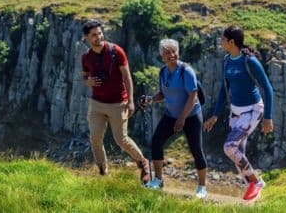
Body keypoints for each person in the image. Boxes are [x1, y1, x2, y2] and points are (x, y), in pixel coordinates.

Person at [203, 25, 274, 201]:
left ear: (232, 42)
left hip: (252, 110)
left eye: (223, 40)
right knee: (237, 153)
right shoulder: (227, 60)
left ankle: (256, 181)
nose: (221, 42)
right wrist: (215, 115)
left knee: (229, 147)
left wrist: (268, 118)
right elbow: (223, 89)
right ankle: (254, 191)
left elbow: (268, 88)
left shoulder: (250, 62)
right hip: (235, 112)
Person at [81, 20, 150, 184]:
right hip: (97, 104)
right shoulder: (86, 57)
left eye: (99, 33)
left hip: (118, 103)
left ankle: (143, 163)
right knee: (95, 137)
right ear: (87, 38)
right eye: (94, 35)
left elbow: (127, 77)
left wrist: (131, 101)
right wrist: (87, 81)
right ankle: (103, 171)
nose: (98, 37)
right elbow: (84, 76)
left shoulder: (116, 51)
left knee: (121, 139)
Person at [140, 39, 208, 198]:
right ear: (162, 56)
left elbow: (193, 96)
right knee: (156, 141)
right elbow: (163, 93)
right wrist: (150, 99)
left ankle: (202, 187)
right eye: (167, 52)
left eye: (174, 51)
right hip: (171, 115)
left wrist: (182, 118)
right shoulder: (163, 71)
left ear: (178, 52)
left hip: (191, 116)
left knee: (196, 150)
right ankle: (158, 180)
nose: (171, 55)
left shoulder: (186, 71)